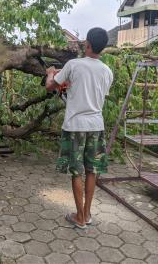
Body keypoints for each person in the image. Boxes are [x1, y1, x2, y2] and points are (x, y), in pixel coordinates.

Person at [45, 27, 113, 229]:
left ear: (87, 44)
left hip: (75, 126)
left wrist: (50, 73)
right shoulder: (107, 72)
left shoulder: (73, 65)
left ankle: (79, 218)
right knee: (92, 171)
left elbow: (51, 86)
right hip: (96, 126)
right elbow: (92, 91)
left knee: (77, 172)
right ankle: (87, 214)